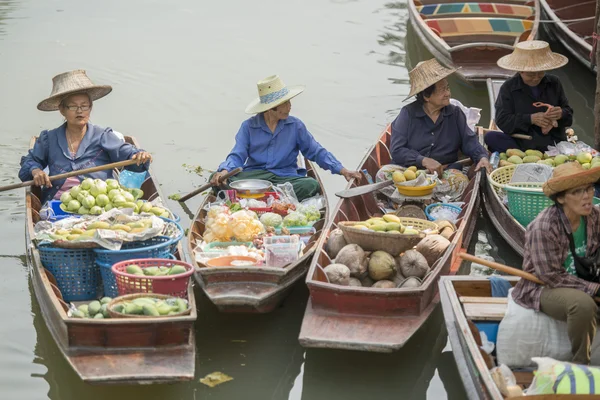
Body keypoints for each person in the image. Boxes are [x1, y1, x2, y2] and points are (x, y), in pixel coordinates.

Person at [210, 75, 361, 201]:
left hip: (285, 178)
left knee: (311, 185)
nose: (290, 107)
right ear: (271, 108)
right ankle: (272, 197)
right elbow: (237, 154)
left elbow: (316, 152)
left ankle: (258, 198)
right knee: (216, 179)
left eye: (289, 102)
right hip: (256, 178)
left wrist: (342, 170)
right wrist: (224, 171)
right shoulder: (248, 127)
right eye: (285, 103)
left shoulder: (295, 126)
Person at [511, 162, 600, 365]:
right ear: (561, 198)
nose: (587, 196)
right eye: (578, 192)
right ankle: (581, 364)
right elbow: (550, 276)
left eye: (589, 189)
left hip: (580, 279)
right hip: (543, 287)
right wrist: (594, 289)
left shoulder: (594, 217)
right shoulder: (543, 226)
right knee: (583, 305)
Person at [19, 70, 152, 204]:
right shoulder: (49, 138)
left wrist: (139, 156)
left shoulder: (102, 136)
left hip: (98, 204)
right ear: (62, 110)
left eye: (84, 106)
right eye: (73, 106)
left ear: (90, 108)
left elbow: (129, 155)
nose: (79, 111)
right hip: (58, 202)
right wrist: (36, 171)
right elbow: (28, 163)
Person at [390, 59, 490, 177]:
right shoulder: (407, 114)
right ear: (427, 96)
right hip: (410, 172)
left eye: (447, 88)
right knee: (382, 174)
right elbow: (397, 150)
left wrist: (482, 156)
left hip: (445, 172)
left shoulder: (455, 113)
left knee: (458, 181)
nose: (448, 93)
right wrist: (423, 160)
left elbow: (469, 141)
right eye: (443, 90)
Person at [486, 40, 573, 153]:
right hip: (523, 143)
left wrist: (560, 114)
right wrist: (530, 119)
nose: (536, 77)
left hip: (553, 141)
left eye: (540, 73)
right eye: (531, 74)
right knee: (491, 137)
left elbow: (569, 116)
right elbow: (503, 121)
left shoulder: (554, 83)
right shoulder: (508, 88)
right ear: (520, 71)